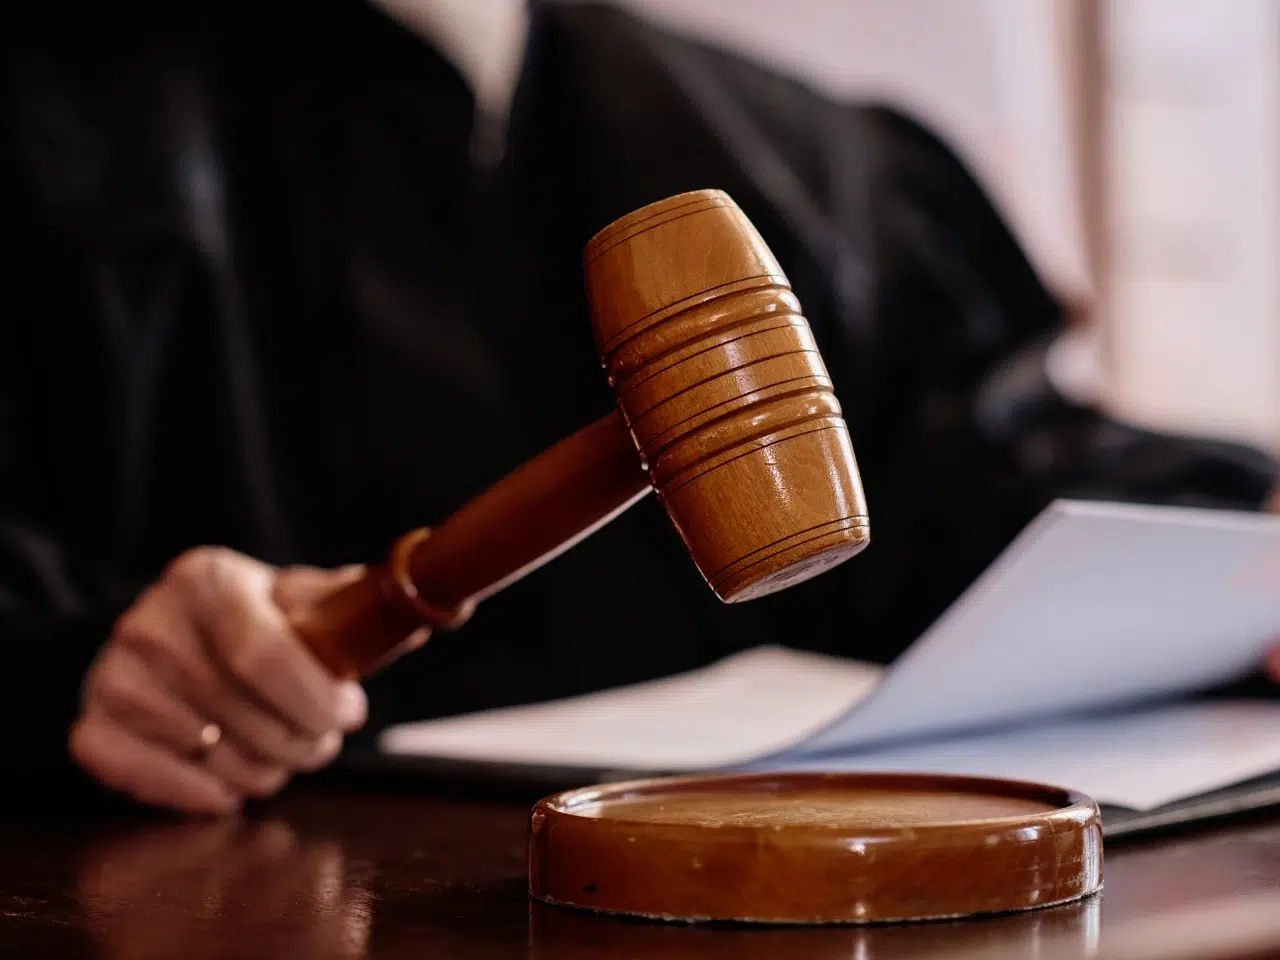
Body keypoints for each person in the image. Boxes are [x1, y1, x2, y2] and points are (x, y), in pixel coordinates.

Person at [3, 0, 1277, 815]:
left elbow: (970, 479)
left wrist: (1247, 522)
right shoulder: (53, 116)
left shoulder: (777, 145)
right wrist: (90, 658)